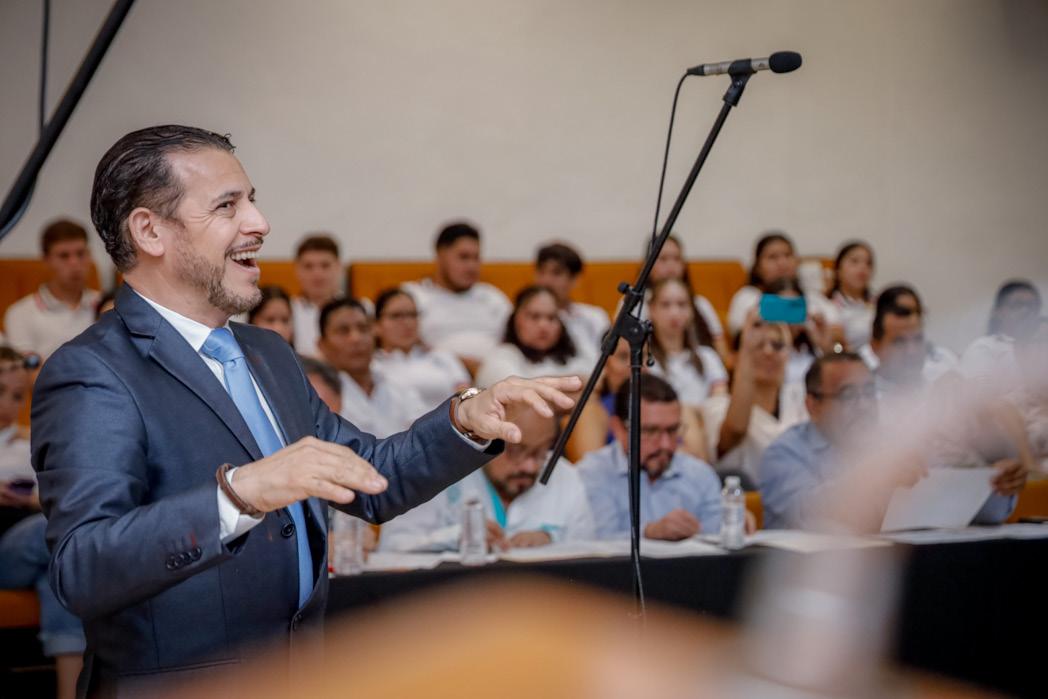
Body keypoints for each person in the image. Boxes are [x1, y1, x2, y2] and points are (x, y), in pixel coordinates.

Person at [30, 124, 579, 698]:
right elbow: (83, 567)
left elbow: (370, 478)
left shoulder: (268, 353)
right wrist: (238, 495)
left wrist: (463, 422)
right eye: (227, 206)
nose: (260, 223)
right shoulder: (93, 371)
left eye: (252, 200)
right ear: (149, 231)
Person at [379, 410, 595, 551]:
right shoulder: (437, 470)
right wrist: (455, 537)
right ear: (483, 437)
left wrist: (552, 540)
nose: (529, 467)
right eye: (516, 451)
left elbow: (589, 551)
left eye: (540, 452)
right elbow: (392, 546)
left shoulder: (565, 477)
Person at [0, 347, 85, 699]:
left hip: (37, 532)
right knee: (59, 532)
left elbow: (63, 491)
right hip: (6, 549)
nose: (7, 404)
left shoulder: (32, 441)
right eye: (0, 392)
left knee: (57, 573)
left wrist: (32, 499)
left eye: (17, 396)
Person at [577, 375, 722, 541]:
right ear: (618, 428)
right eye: (651, 431)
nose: (665, 445)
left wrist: (706, 532)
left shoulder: (700, 475)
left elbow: (719, 539)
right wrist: (649, 533)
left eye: (672, 430)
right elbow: (594, 543)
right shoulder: (593, 474)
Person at [759, 353, 880, 529]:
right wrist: (880, 475)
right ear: (812, 405)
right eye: (848, 395)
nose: (864, 406)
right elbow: (812, 512)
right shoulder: (782, 454)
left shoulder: (886, 442)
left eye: (869, 392)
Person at [702, 312, 808, 488]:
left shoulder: (802, 399)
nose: (768, 352)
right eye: (758, 345)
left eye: (777, 345)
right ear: (736, 357)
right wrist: (747, 346)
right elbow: (735, 430)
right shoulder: (717, 405)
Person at [402, 222, 512, 372]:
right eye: (463, 257)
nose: (472, 266)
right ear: (440, 255)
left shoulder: (493, 297)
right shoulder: (412, 297)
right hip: (434, 374)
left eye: (476, 258)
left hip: (496, 376)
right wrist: (463, 365)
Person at [316, 298, 428, 438]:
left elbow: (425, 437)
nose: (356, 338)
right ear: (322, 345)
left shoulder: (398, 383)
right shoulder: (319, 396)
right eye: (343, 331)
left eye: (363, 328)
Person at [3, 219, 100, 360]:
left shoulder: (108, 306)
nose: (74, 263)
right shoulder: (21, 313)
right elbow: (24, 371)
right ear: (46, 260)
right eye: (64, 256)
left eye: (80, 254)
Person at [727, 231, 841, 340]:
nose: (782, 263)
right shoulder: (747, 297)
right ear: (757, 267)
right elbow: (740, 338)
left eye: (788, 255)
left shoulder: (812, 297)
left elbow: (838, 332)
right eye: (772, 257)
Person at [371, 287, 471, 410]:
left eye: (412, 315)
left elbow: (466, 402)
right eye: (396, 316)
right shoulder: (372, 365)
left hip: (447, 421)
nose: (407, 323)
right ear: (376, 325)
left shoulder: (442, 357)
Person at [475, 285, 593, 389]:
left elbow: (597, 382)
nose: (544, 326)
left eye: (551, 318)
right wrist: (580, 385)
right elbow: (518, 395)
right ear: (516, 320)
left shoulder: (574, 357)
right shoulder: (501, 357)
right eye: (534, 316)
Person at [860, 285, 958, 397]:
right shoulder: (864, 398)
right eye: (899, 342)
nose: (912, 351)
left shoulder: (941, 371)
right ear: (875, 346)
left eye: (917, 339)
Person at [647, 278, 728, 407]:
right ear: (652, 310)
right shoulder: (643, 360)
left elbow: (720, 402)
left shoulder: (708, 356)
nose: (674, 313)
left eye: (682, 304)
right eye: (665, 305)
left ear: (691, 311)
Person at [959, 280, 1042, 389]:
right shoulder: (984, 347)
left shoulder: (1041, 347)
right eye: (1017, 305)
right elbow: (980, 395)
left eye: (1032, 306)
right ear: (998, 312)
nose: (1026, 311)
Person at [533, 242, 609, 359]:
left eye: (556, 273)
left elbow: (609, 360)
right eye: (542, 272)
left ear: (575, 279)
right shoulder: (523, 318)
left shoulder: (595, 317)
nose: (546, 280)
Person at [291, 234, 343, 357]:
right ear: (297, 270)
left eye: (325, 265)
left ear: (339, 268)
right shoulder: (286, 312)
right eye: (308, 266)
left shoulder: (362, 310)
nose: (317, 274)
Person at [827, 241, 876, 350]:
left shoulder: (880, 304)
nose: (863, 267)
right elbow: (834, 348)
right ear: (838, 270)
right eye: (855, 261)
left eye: (868, 263)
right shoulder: (825, 305)